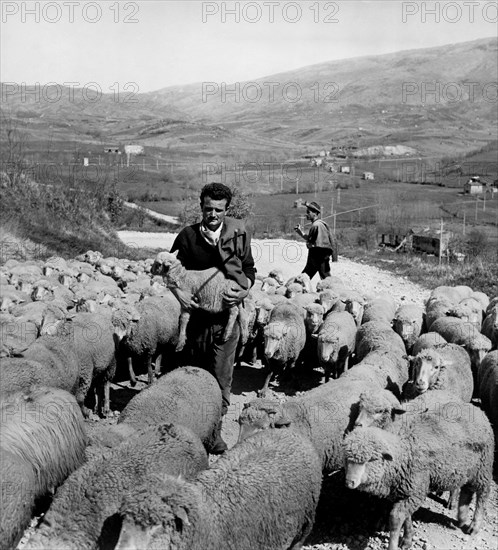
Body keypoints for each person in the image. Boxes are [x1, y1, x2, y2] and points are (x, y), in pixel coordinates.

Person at [170, 182, 256, 454]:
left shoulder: (239, 236)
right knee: (194, 375)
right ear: (201, 208)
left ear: (227, 209)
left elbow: (250, 270)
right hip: (196, 320)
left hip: (225, 322)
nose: (213, 214)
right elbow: (171, 272)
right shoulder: (187, 237)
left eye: (219, 210)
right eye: (208, 209)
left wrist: (243, 292)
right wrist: (179, 294)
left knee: (221, 378)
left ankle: (214, 432)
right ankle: (192, 432)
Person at [295, 201, 337, 280]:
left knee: (325, 278)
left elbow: (320, 244)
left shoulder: (317, 225)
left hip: (319, 257)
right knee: (305, 277)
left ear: (314, 213)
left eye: (308, 212)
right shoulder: (316, 225)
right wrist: (300, 232)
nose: (307, 214)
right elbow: (312, 239)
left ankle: (334, 290)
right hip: (315, 257)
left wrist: (311, 245)